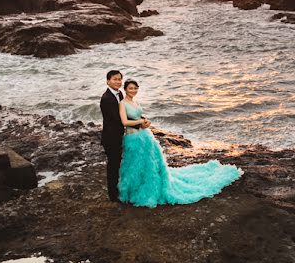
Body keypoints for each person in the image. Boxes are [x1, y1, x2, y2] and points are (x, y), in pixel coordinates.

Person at [117, 79, 243, 207]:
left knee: (150, 164)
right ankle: (134, 190)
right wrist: (139, 122)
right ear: (125, 89)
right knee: (134, 164)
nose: (133, 90)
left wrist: (145, 121)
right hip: (133, 138)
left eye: (135, 88)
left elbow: (139, 117)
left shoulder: (135, 102)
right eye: (131, 88)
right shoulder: (123, 103)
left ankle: (149, 187)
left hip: (145, 135)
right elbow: (125, 122)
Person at [99, 70, 144, 202]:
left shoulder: (119, 94)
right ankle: (113, 195)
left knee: (120, 164)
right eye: (115, 79)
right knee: (113, 166)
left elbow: (127, 112)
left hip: (120, 136)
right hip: (111, 138)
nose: (118, 81)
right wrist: (139, 124)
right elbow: (118, 119)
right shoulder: (106, 98)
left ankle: (120, 188)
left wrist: (141, 118)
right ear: (108, 81)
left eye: (119, 79)